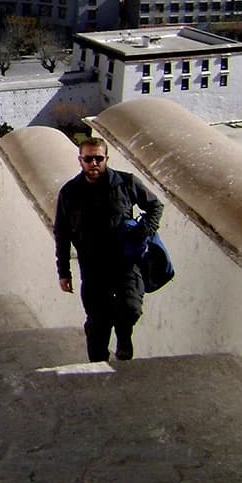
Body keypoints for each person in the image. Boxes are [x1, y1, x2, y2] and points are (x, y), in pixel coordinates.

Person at [53, 137, 164, 363]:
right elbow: (62, 234)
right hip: (92, 267)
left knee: (131, 308)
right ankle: (97, 368)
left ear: (106, 159)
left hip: (125, 262)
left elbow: (155, 205)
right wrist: (63, 272)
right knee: (98, 323)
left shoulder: (125, 182)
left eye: (98, 158)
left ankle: (124, 338)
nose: (94, 163)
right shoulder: (70, 192)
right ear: (80, 160)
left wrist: (146, 232)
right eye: (88, 159)